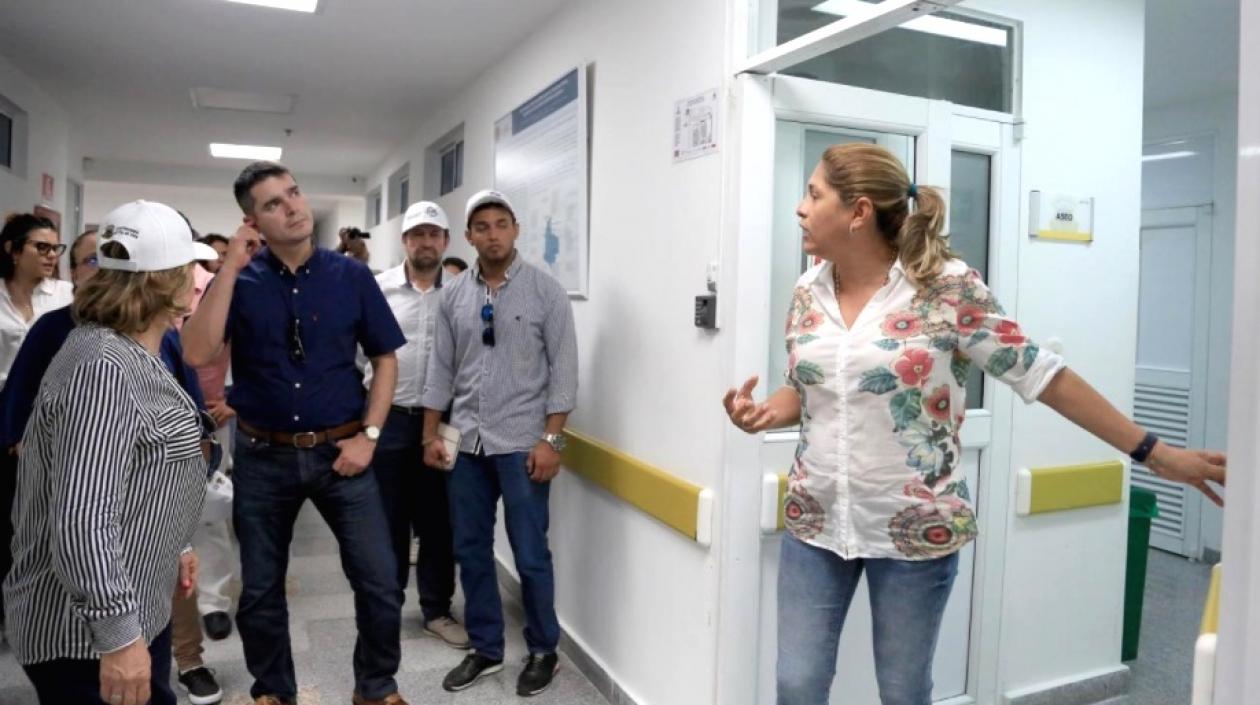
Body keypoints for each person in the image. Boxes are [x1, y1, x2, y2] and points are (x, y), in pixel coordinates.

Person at [720, 143, 1228, 705]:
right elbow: (810, 386)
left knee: (904, 691)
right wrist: (768, 411)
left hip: (916, 528)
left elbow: (1043, 375)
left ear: (858, 211)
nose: (800, 207)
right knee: (798, 682)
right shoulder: (807, 290)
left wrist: (1153, 452)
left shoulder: (947, 288)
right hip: (815, 520)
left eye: (813, 194)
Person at [181, 161, 409, 705]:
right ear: (250, 219)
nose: (293, 207)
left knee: (380, 582)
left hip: (343, 450)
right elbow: (196, 351)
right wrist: (230, 267)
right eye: (274, 203)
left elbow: (385, 358)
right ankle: (274, 691)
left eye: (294, 193)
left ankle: (375, 688)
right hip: (264, 455)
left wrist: (370, 436)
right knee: (260, 591)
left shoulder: (351, 277)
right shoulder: (238, 282)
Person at [2, 200, 220, 705]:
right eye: (191, 267)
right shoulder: (103, 367)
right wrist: (120, 638)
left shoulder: (130, 349)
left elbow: (139, 472)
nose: (199, 278)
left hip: (137, 599)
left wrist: (177, 545)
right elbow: (83, 520)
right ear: (160, 280)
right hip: (86, 634)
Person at [421, 189, 578, 697]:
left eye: (501, 224)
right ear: (468, 236)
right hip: (466, 443)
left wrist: (552, 439)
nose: (493, 234)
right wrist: (430, 434)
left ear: (516, 229)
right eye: (482, 226)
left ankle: (542, 650)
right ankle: (486, 649)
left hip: (523, 443)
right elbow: (440, 370)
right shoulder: (453, 295)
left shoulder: (545, 291)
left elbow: (565, 370)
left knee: (531, 554)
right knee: (471, 550)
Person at [370, 201, 468, 649]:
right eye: (417, 235)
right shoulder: (378, 290)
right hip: (389, 421)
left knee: (438, 523)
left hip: (443, 424)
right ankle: (386, 609)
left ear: (446, 241)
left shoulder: (464, 292)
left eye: (434, 234)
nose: (426, 242)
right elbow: (358, 355)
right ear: (404, 241)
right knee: (387, 521)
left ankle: (436, 610)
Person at [0, 213, 73, 633]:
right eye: (40, 248)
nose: (50, 255)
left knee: (44, 512)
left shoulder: (64, 294)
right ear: (12, 250)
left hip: (49, 411)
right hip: (5, 411)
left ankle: (42, 604)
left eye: (54, 248)